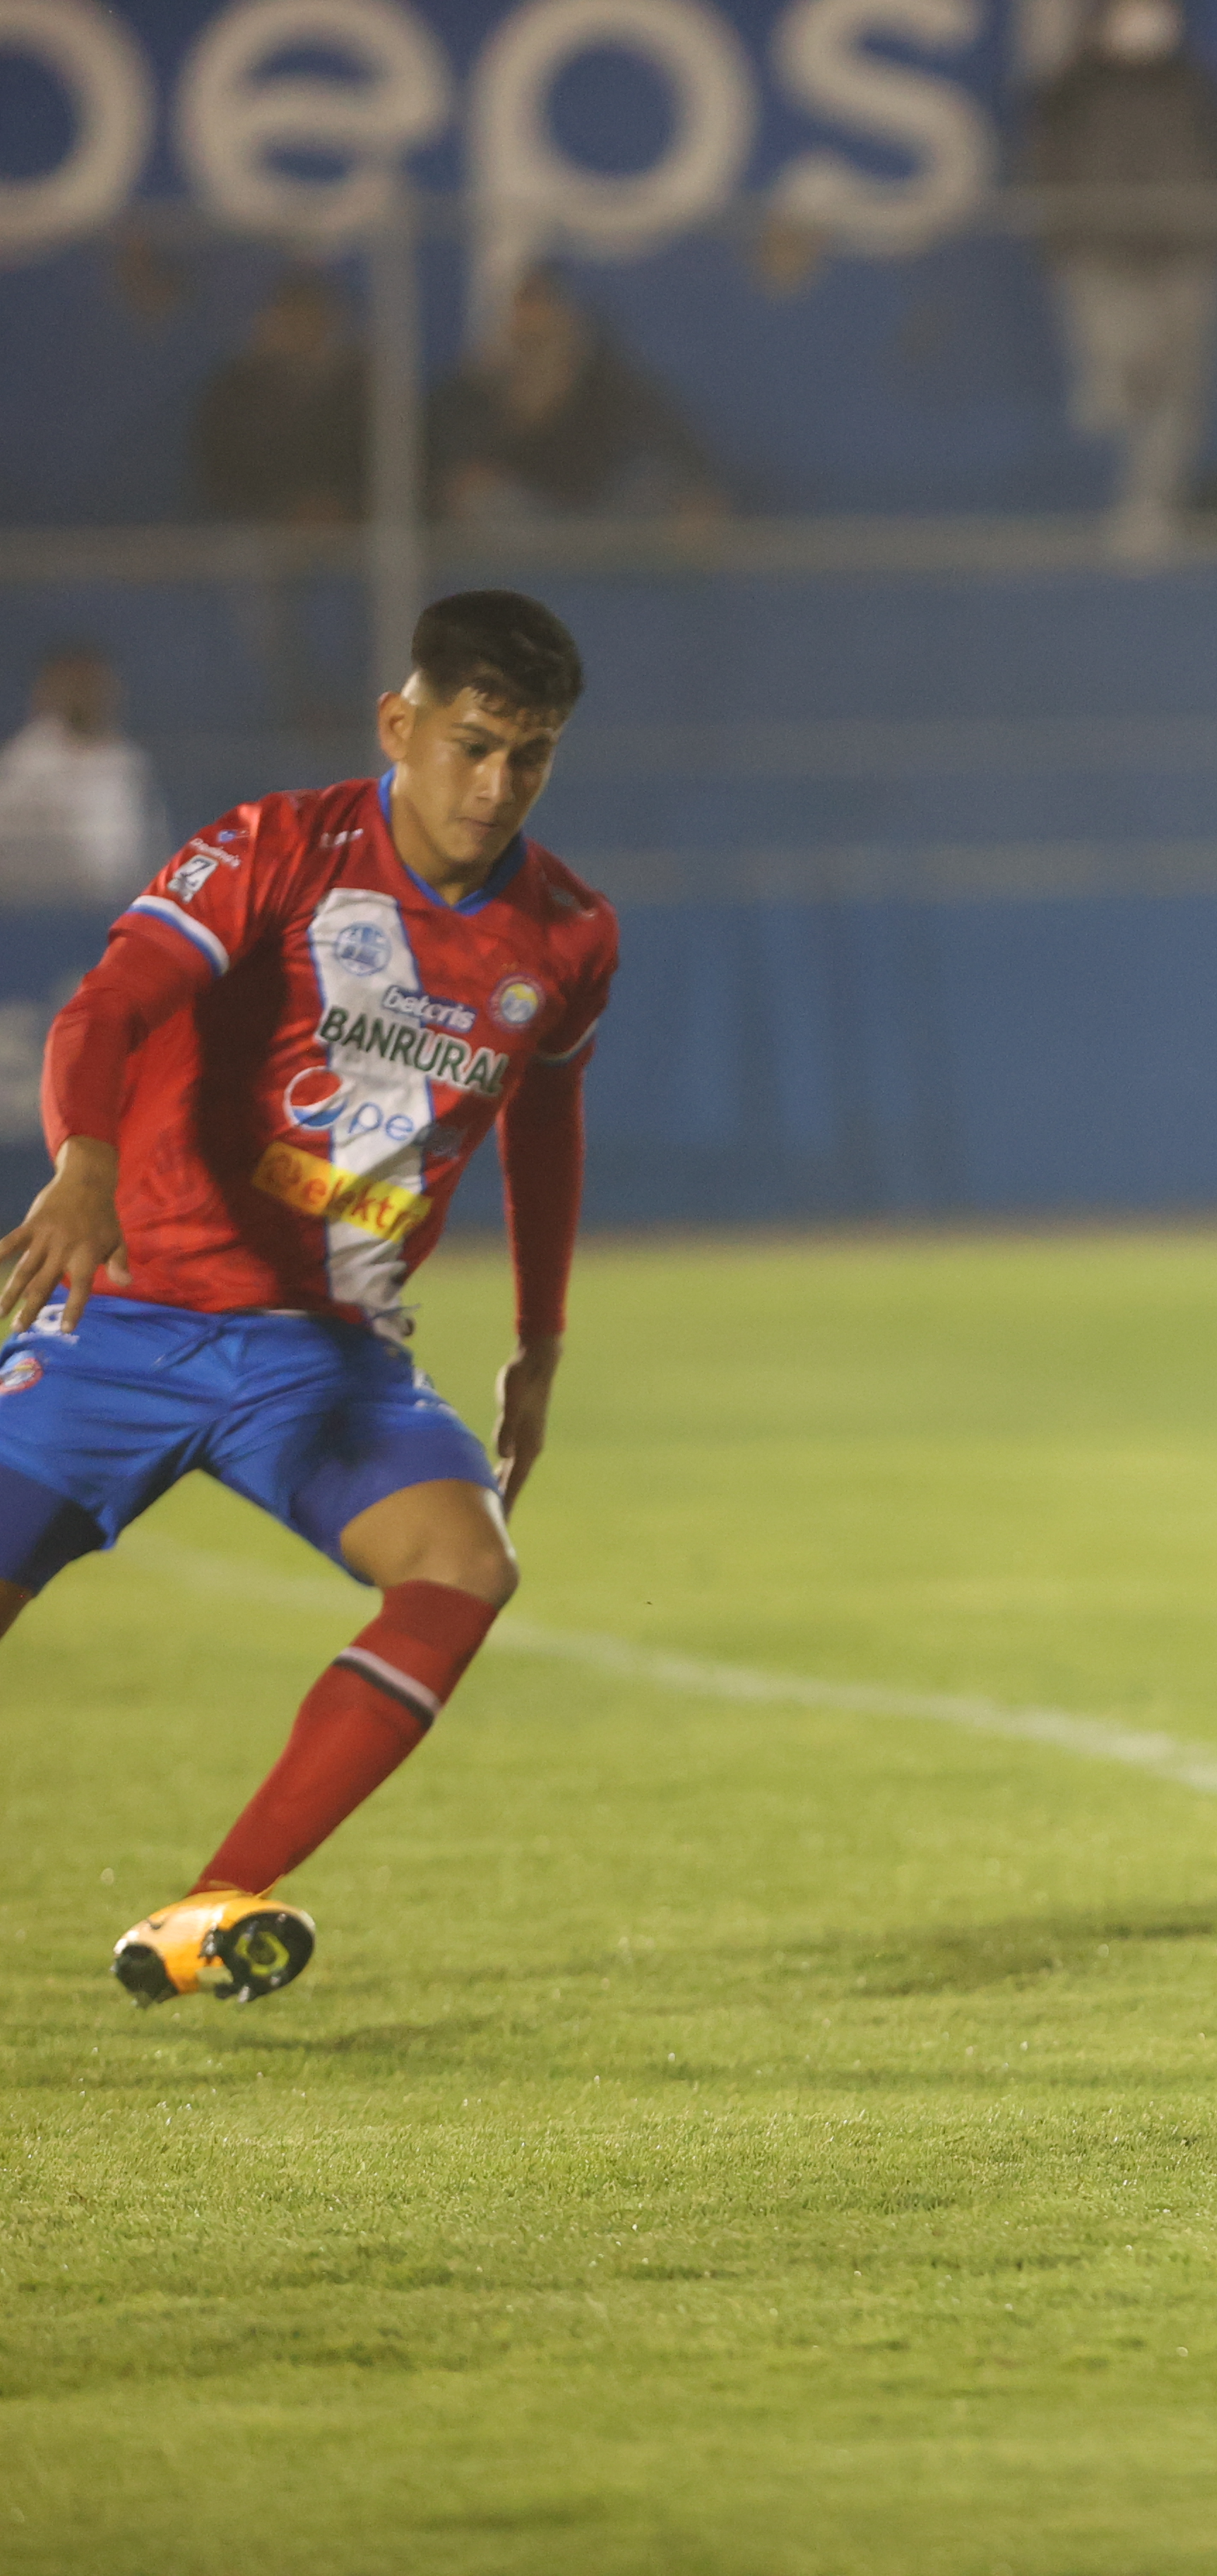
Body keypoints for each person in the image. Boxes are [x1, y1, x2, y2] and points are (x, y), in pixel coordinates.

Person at [0, 591, 618, 2008]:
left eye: (531, 757)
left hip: (323, 1359)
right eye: (471, 746)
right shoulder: (273, 849)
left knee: (466, 1565)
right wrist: (83, 1164)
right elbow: (108, 1006)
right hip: (130, 1314)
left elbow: (545, 1124)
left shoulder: (567, 936)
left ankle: (209, 1911)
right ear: (400, 725)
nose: (496, 785)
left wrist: (540, 1340)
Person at [1022, 0, 1217, 561]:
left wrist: (1213, 232)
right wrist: (1062, 239)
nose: (1145, 22)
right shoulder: (1073, 90)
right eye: (1130, 11)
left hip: (1187, 252)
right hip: (1104, 252)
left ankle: (1150, 511)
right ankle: (1110, 385)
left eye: (1155, 10)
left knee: (1180, 395)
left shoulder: (1194, 84)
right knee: (1124, 365)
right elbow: (1047, 167)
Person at [430, 268, 721, 523]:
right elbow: (452, 483)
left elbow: (685, 466)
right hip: (520, 541)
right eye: (524, 336)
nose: (531, 324)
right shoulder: (472, 396)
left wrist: (690, 498)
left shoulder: (616, 389)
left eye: (543, 306)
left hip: (604, 533)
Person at [191, 267, 369, 527]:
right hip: (257, 532)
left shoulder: (365, 393)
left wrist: (339, 507)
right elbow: (218, 476)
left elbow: (384, 473)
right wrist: (279, 513)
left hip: (350, 535)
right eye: (290, 318)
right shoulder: (234, 394)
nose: (301, 330)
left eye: (312, 317)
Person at [0, 647, 161, 907]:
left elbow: (141, 855)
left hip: (113, 910)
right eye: (73, 685)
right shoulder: (26, 759)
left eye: (90, 685)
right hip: (36, 913)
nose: (83, 695)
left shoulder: (127, 762)